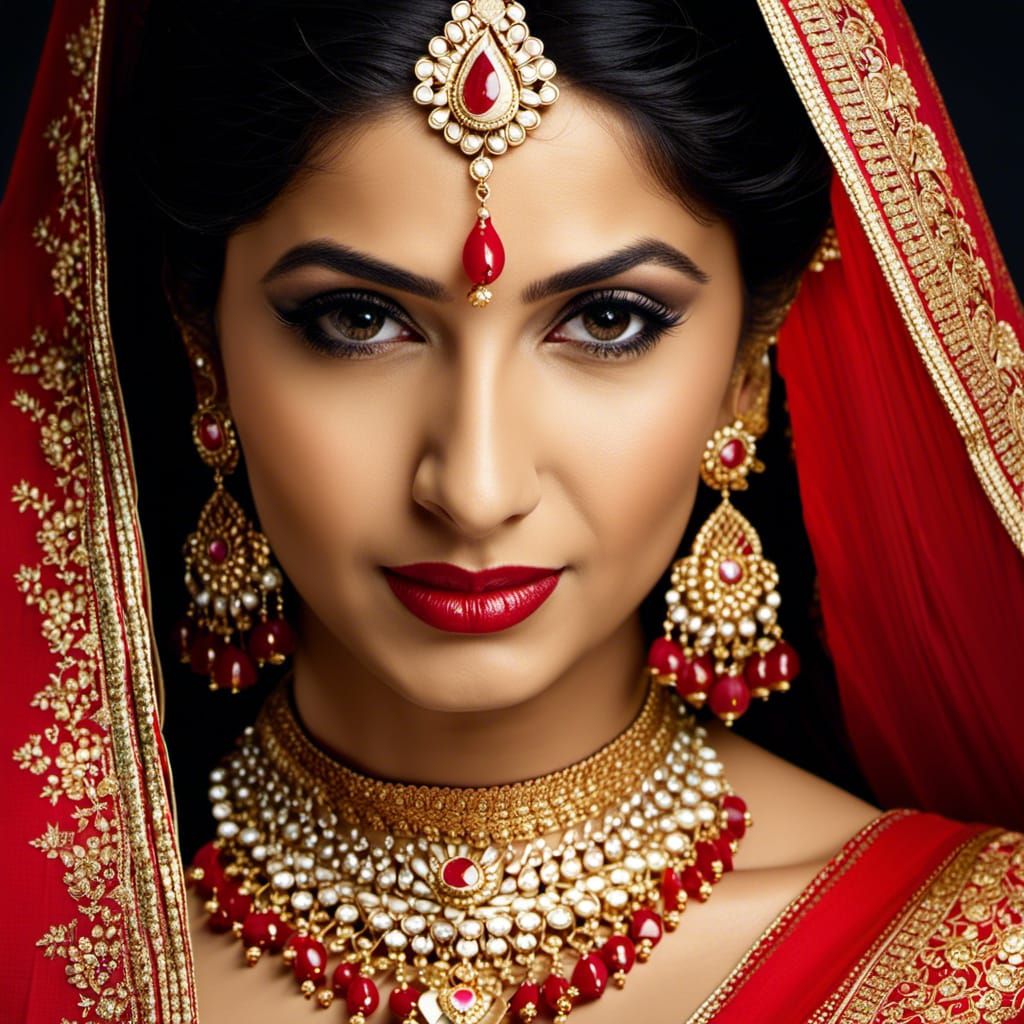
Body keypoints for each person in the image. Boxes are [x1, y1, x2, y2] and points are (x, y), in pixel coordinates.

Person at [2, 1, 1022, 1023]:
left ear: (745, 368)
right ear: (206, 344)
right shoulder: (55, 973)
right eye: (358, 320)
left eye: (607, 320)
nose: (475, 487)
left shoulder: (974, 969)